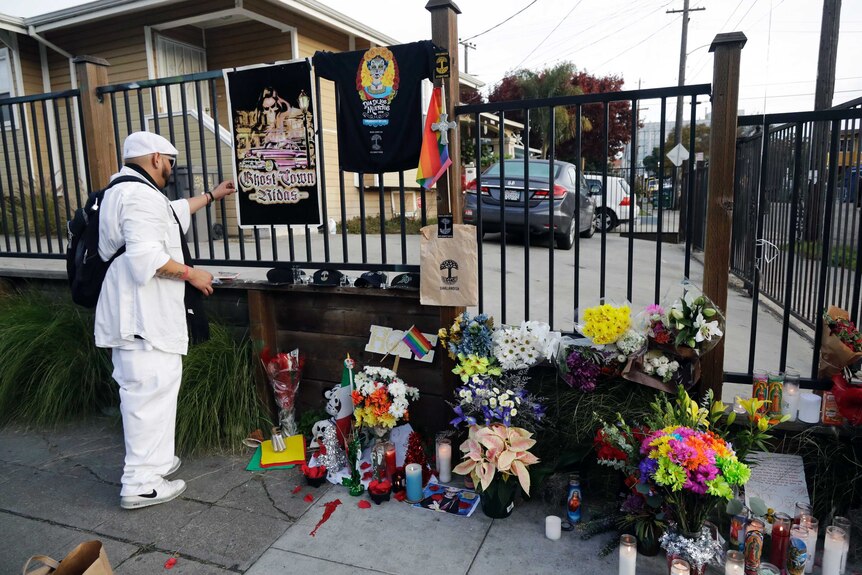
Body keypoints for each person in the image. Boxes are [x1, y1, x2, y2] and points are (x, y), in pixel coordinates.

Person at [95, 131, 236, 510]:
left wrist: (212, 196)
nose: (170, 170)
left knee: (156, 388)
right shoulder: (138, 196)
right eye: (170, 162)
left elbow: (172, 212)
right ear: (157, 158)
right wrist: (193, 274)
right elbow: (147, 258)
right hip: (140, 319)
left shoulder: (127, 191)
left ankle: (156, 464)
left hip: (140, 319)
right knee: (147, 394)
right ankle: (140, 483)